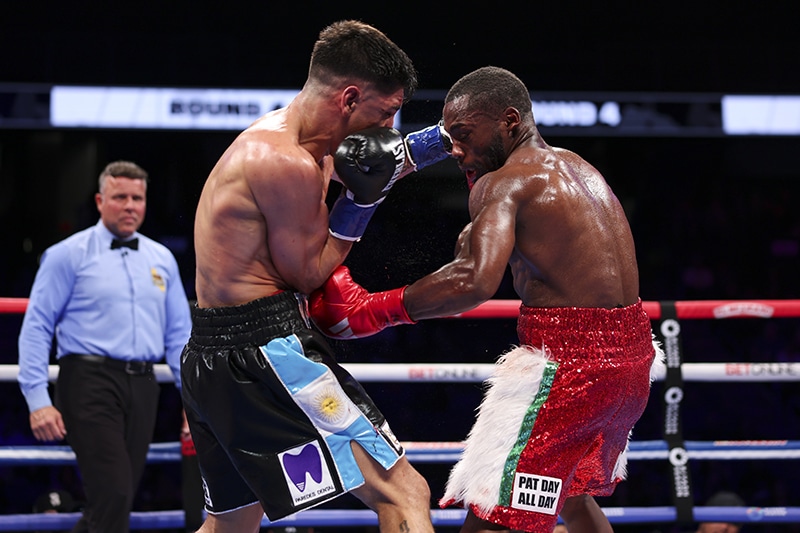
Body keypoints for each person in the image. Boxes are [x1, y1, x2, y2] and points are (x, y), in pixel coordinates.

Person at [308, 66, 667, 533]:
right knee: (571, 499)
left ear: (509, 121)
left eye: (464, 134)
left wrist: (370, 311)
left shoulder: (507, 181)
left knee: (493, 519)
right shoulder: (580, 167)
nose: (454, 149)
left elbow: (475, 281)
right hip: (630, 364)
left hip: (569, 370)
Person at [181, 19, 451, 533]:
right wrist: (362, 204)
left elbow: (384, 158)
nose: (389, 128)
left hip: (214, 353)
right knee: (404, 492)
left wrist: (445, 137)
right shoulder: (286, 164)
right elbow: (307, 274)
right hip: (265, 349)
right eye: (386, 111)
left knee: (230, 525)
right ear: (349, 97)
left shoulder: (292, 141)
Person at [17, 160, 192, 533]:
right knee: (113, 492)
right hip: (88, 381)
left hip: (144, 386)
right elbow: (37, 326)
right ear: (100, 201)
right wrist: (37, 399)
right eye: (120, 197)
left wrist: (191, 401)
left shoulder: (161, 258)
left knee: (115, 499)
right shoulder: (67, 254)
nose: (129, 205)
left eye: (137, 198)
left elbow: (179, 334)